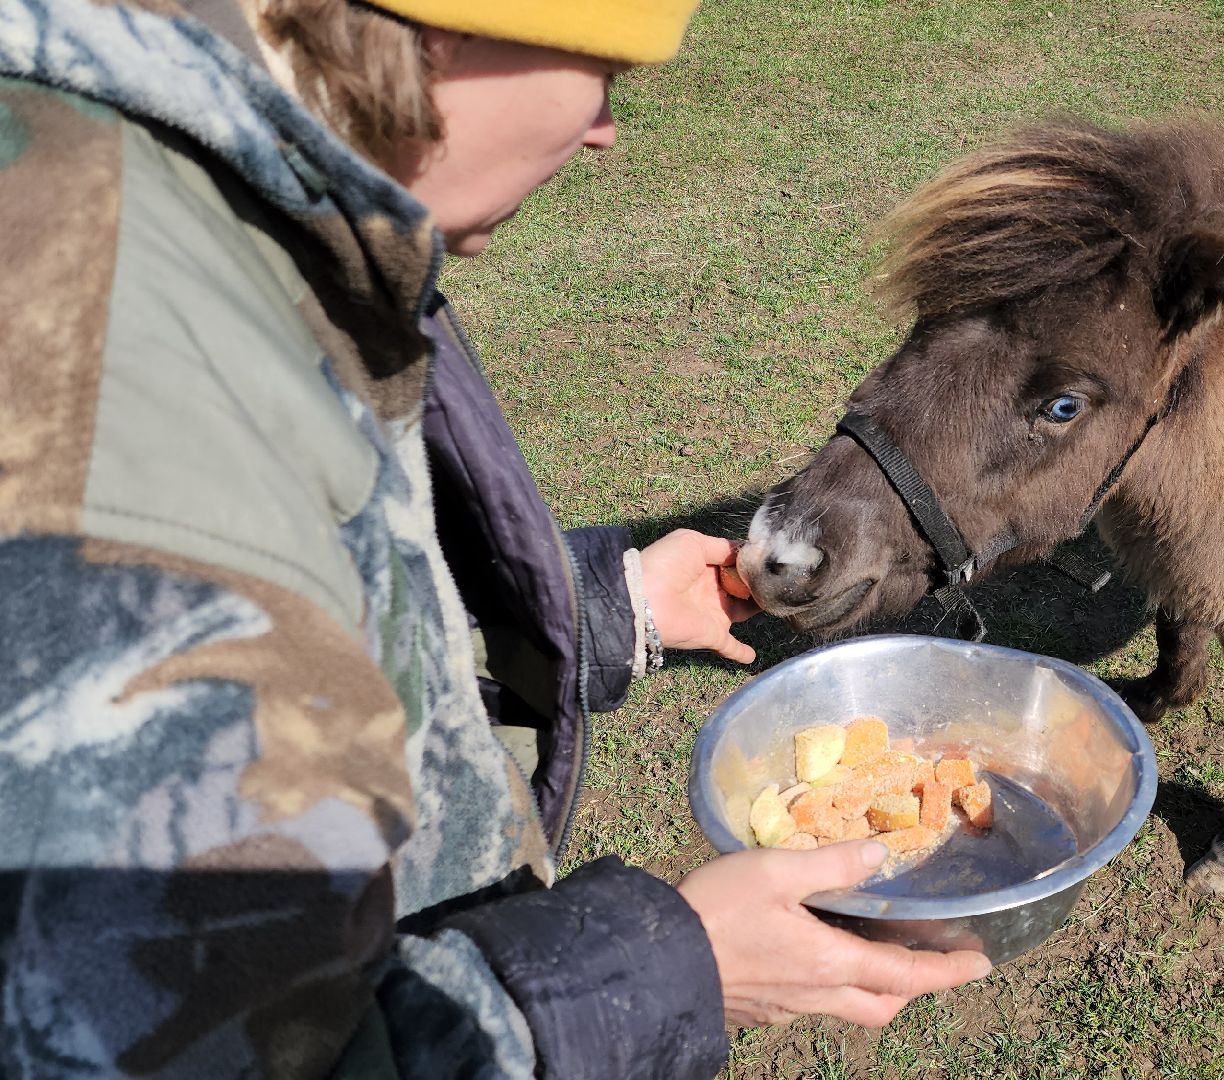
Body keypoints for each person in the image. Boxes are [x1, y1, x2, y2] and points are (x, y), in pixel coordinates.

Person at [0, 0, 990, 1075]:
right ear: (440, 33)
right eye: (603, 67)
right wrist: (669, 971)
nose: (605, 128)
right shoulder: (111, 379)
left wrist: (602, 603)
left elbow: (306, 609)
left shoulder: (219, 227)